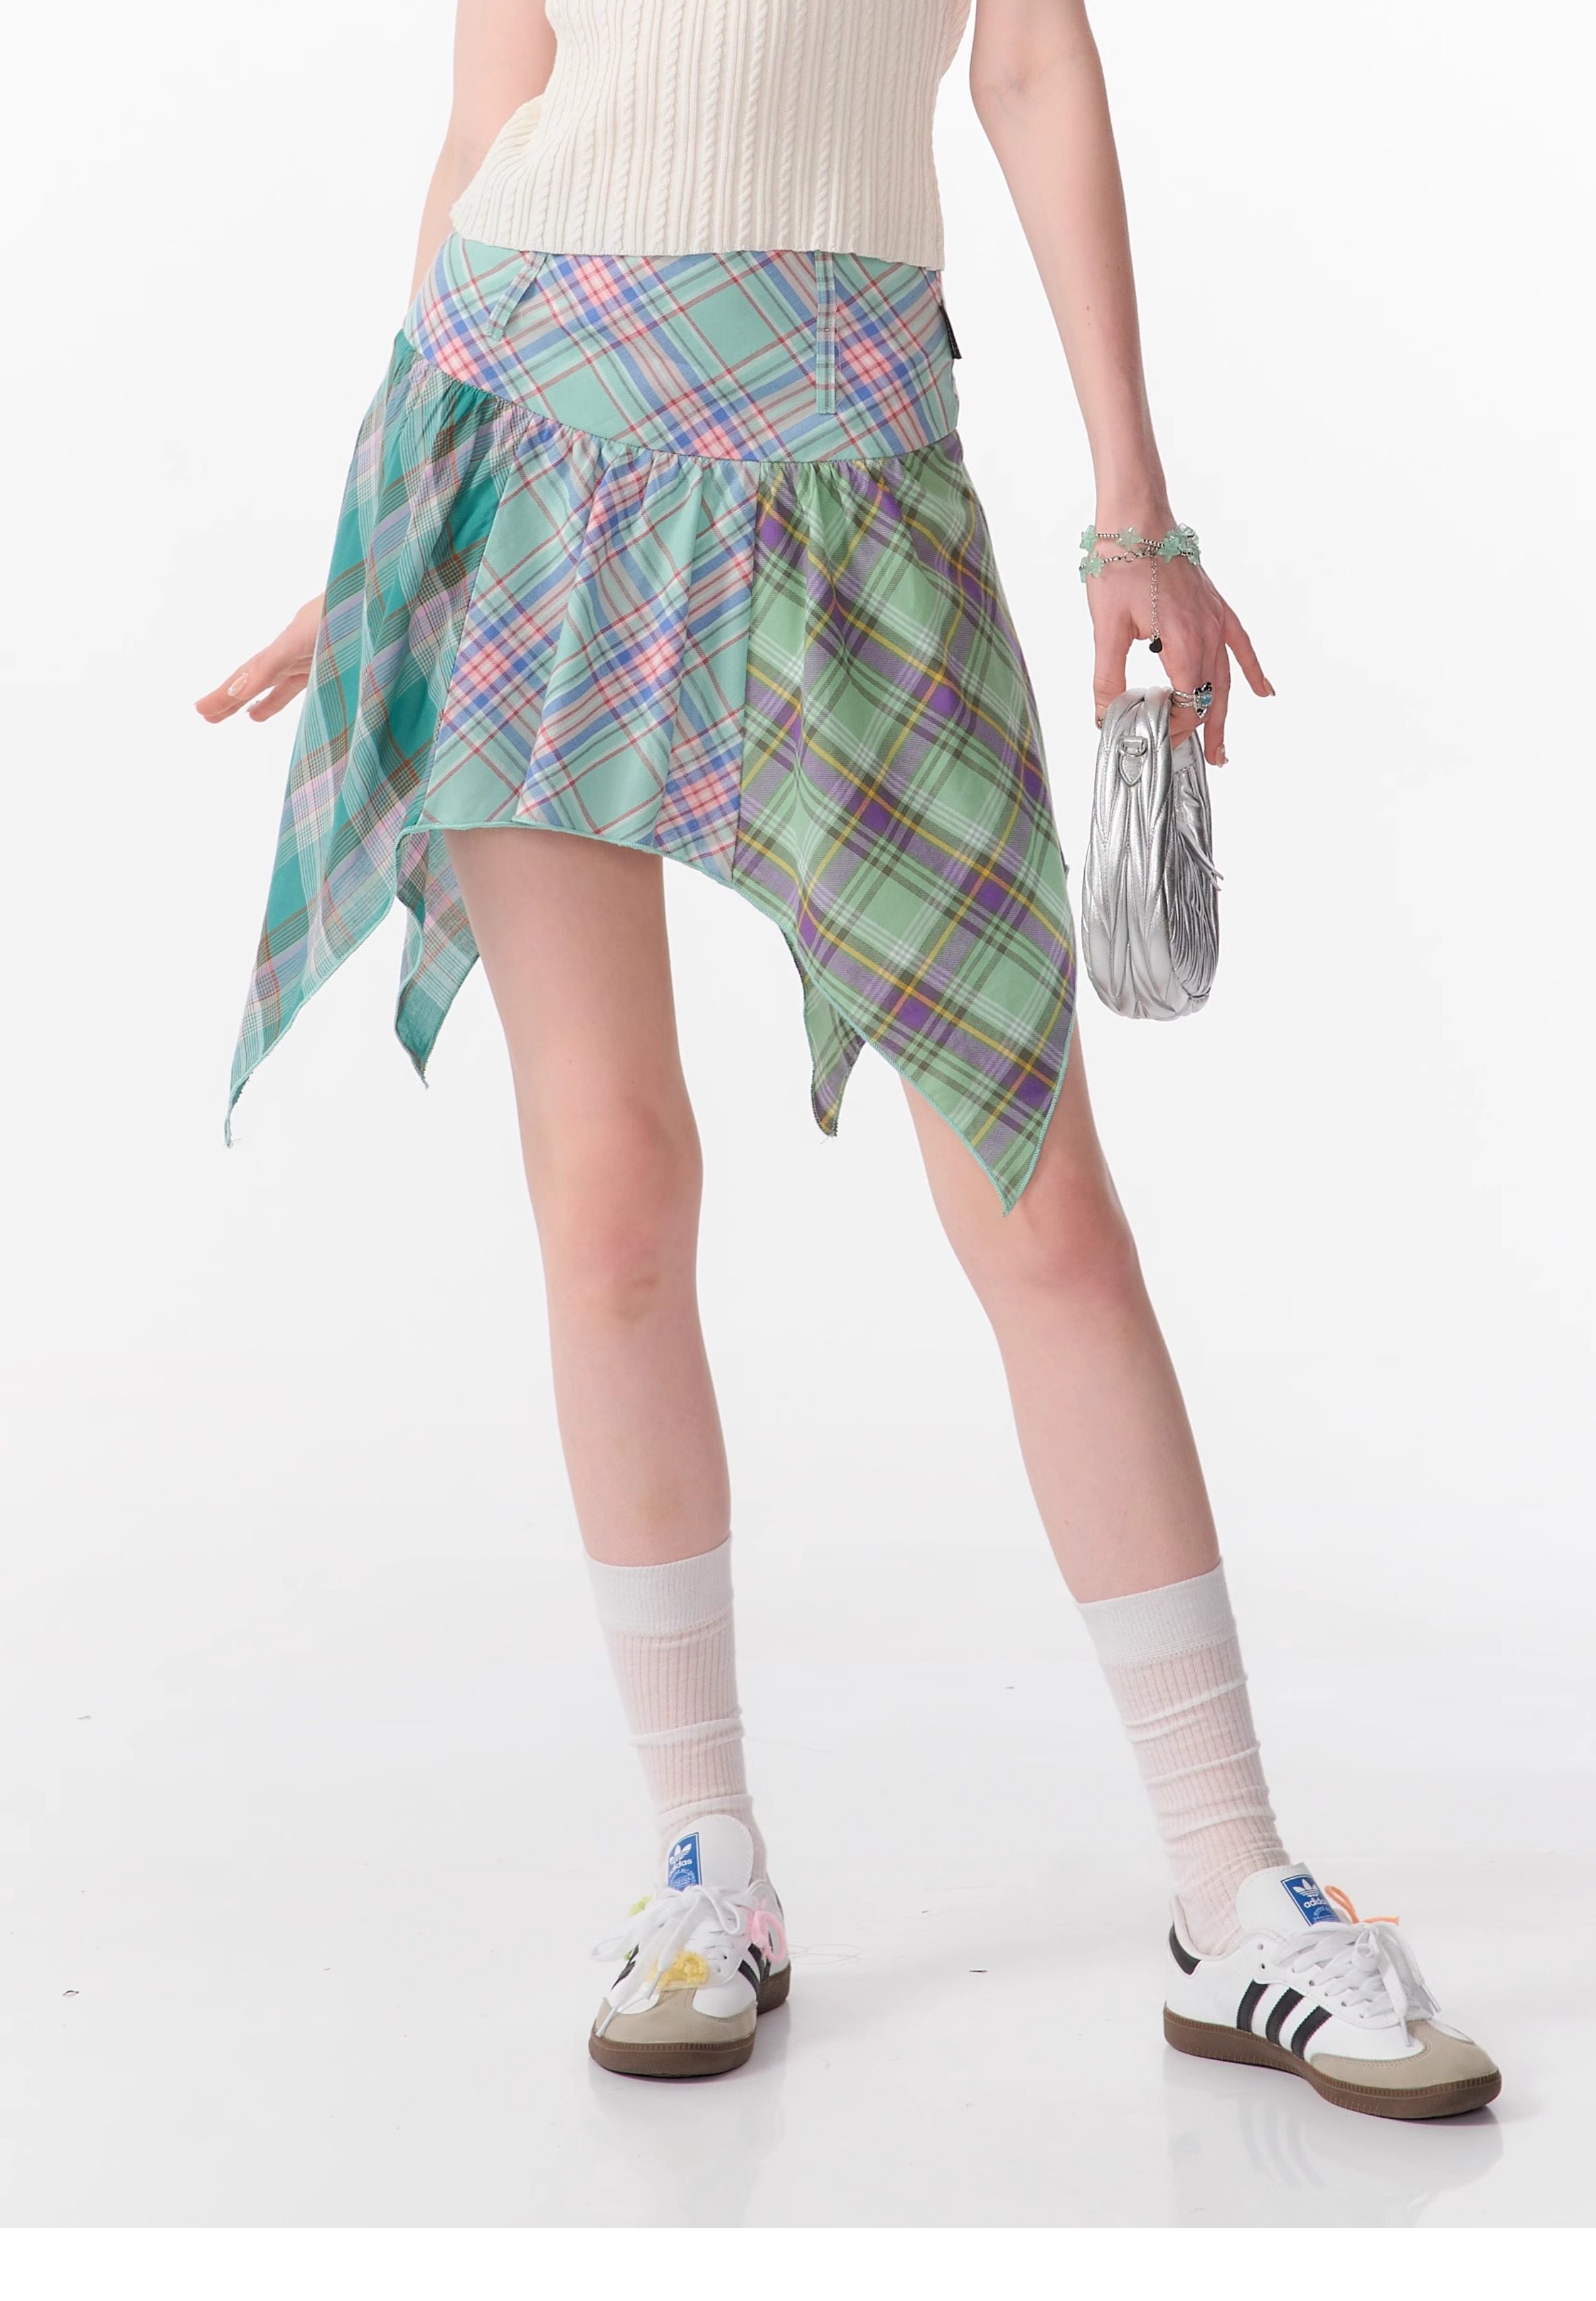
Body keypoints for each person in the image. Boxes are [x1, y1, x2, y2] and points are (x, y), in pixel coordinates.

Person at [198, 0, 1498, 2120]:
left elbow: (1030, 64)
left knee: (1036, 1198)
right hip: (514, 429)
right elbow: (493, 115)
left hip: (849, 459)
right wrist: (378, 545)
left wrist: (1133, 511)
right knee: (610, 1189)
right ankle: (701, 1862)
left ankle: (1234, 1886)